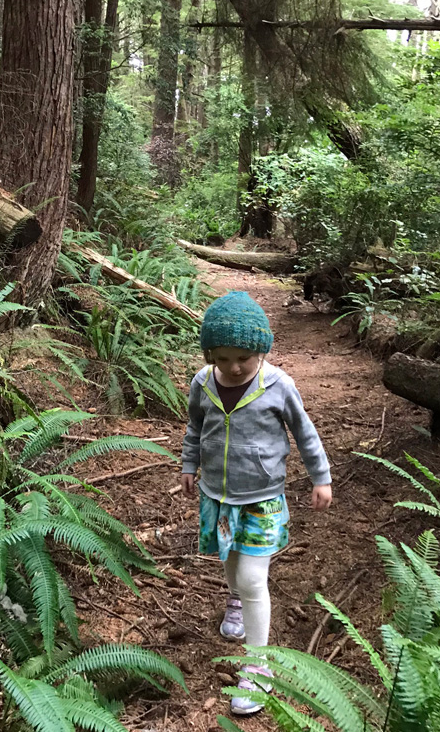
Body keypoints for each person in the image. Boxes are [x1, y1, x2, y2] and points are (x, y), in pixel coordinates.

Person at [181, 290, 332, 716]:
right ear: (210, 352)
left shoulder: (277, 385)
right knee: (230, 564)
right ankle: (235, 601)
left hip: (262, 498)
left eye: (243, 358)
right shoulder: (202, 383)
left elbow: (305, 433)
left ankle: (258, 666)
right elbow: (194, 429)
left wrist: (320, 478)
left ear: (260, 351)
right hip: (218, 495)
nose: (232, 367)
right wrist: (188, 466)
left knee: (251, 578)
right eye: (222, 357)